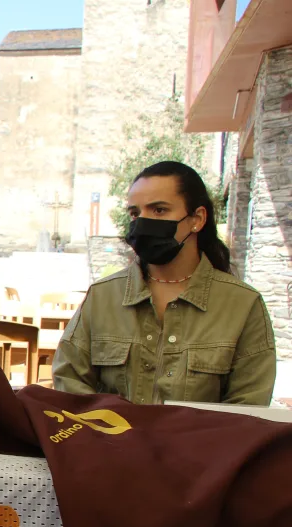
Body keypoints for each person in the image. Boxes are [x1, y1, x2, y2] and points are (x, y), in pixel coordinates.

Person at [53, 161, 275, 405]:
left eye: (159, 210)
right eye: (136, 213)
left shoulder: (242, 305)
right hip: (112, 441)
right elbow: (69, 381)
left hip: (199, 443)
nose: (142, 223)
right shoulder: (103, 296)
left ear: (197, 219)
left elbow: (249, 405)